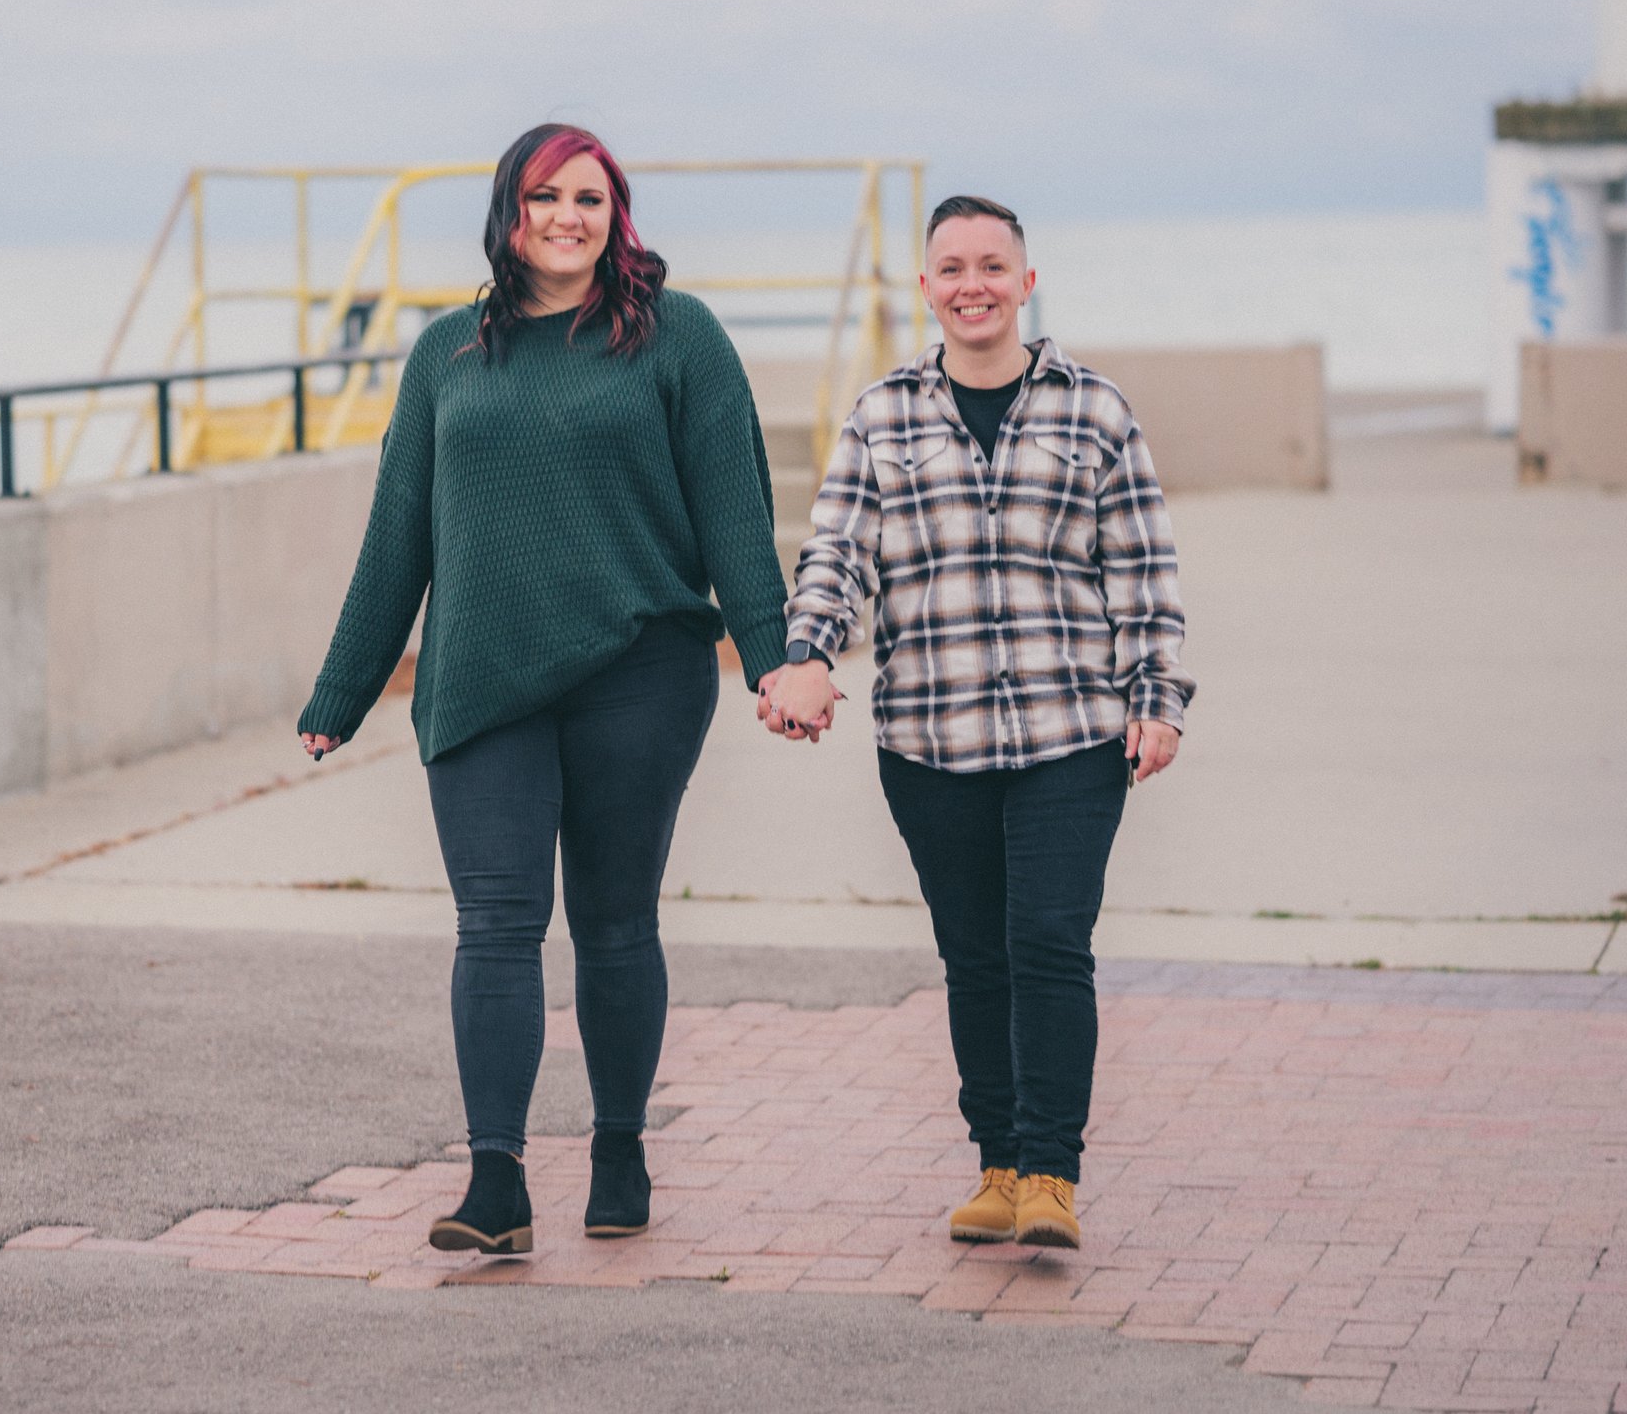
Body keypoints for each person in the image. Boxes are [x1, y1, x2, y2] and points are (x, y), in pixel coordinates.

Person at [296, 123, 790, 1254]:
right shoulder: (446, 354)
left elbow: (736, 513)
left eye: (589, 196)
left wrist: (776, 659)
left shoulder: (676, 337)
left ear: (616, 214)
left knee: (613, 923)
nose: (569, 216)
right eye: (545, 196)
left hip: (640, 676)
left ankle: (618, 1147)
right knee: (494, 925)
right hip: (482, 677)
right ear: (507, 215)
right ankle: (496, 1181)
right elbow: (398, 534)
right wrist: (343, 688)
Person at [755, 194, 1192, 1251]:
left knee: (1048, 943)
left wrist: (1156, 696)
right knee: (974, 957)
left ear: (1025, 281)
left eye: (992, 265)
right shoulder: (881, 416)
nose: (973, 285)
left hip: (1069, 732)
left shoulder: (1095, 410)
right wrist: (809, 655)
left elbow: (1142, 567)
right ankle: (997, 1164)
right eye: (951, 268)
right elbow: (837, 555)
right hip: (929, 738)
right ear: (926, 288)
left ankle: (1051, 1174)